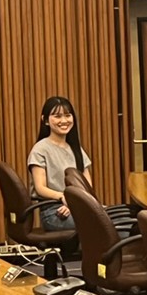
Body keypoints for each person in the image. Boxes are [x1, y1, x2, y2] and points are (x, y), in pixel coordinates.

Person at [27, 96, 93, 231]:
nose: (64, 120)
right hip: (54, 212)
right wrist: (65, 198)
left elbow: (87, 186)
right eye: (57, 116)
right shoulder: (40, 149)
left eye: (68, 115)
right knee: (100, 225)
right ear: (45, 120)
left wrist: (74, 204)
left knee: (123, 221)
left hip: (79, 206)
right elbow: (40, 188)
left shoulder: (76, 148)